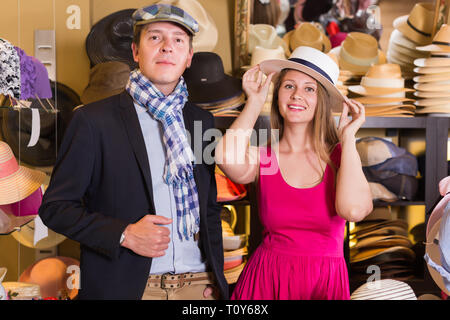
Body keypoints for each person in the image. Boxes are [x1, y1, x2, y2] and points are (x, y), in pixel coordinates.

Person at [39, 4, 228, 300]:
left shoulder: (199, 121)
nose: (167, 47)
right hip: (132, 289)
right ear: (136, 51)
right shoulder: (92, 121)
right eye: (155, 37)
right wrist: (124, 234)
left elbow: (209, 206)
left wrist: (218, 281)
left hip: (200, 287)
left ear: (189, 56)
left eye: (178, 40)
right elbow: (56, 209)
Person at [215, 46, 373, 300]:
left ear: (321, 100)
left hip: (323, 282)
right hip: (266, 279)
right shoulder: (264, 158)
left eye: (309, 88)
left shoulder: (341, 158)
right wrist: (254, 104)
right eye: (289, 86)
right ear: (277, 94)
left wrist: (349, 139)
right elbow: (224, 157)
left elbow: (352, 211)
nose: (297, 95)